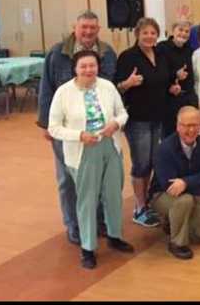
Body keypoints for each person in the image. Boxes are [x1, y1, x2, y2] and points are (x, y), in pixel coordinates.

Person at [48, 50, 134, 269]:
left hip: (110, 146)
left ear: (98, 67)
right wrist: (79, 135)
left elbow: (122, 113)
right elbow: (54, 128)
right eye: (83, 66)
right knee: (87, 200)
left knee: (113, 194)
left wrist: (116, 123)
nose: (88, 70)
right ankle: (88, 248)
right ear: (75, 69)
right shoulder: (63, 92)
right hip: (83, 150)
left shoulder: (107, 86)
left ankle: (114, 236)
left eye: (92, 66)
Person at [37, 9, 115, 245]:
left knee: (99, 177)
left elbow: (111, 89)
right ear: (75, 28)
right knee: (68, 179)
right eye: (84, 27)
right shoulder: (57, 53)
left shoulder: (108, 53)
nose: (88, 32)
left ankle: (98, 220)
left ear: (98, 29)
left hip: (99, 129)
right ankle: (74, 225)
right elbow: (46, 89)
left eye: (93, 28)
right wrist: (45, 124)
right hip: (68, 131)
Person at [115, 17, 171, 228]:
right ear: (137, 34)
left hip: (159, 117)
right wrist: (127, 84)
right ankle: (139, 208)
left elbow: (165, 80)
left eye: (153, 33)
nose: (149, 36)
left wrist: (173, 85)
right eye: (145, 33)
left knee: (153, 162)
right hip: (138, 119)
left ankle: (146, 202)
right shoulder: (128, 57)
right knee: (141, 163)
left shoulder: (160, 54)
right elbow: (116, 87)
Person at [152, 106, 200, 260]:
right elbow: (169, 186)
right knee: (184, 200)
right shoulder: (164, 149)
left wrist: (186, 183)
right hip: (162, 194)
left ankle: (175, 221)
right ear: (178, 126)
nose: (191, 130)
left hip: (190, 191)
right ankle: (177, 243)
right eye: (186, 126)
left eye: (194, 125)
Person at [157, 20, 198, 139]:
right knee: (171, 135)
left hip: (189, 98)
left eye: (187, 31)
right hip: (170, 100)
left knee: (189, 134)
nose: (183, 33)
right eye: (180, 30)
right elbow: (159, 73)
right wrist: (175, 75)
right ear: (173, 30)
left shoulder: (190, 50)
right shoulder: (162, 48)